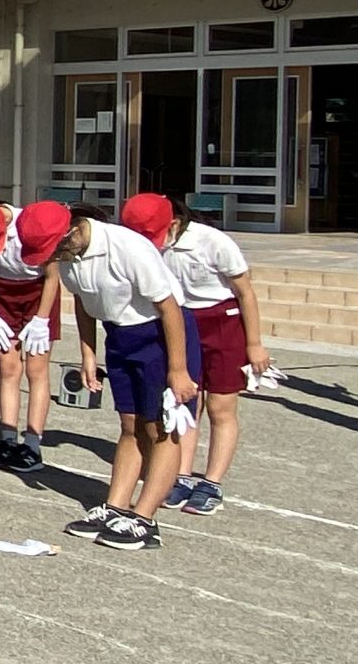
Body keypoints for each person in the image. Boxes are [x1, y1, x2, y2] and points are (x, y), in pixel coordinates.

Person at [51, 204, 202, 551]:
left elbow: (169, 308)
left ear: (73, 231)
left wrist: (178, 369)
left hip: (160, 337)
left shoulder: (127, 247)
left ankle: (145, 520)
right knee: (131, 425)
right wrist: (88, 354)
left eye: (56, 247)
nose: (54, 256)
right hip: (120, 336)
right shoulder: (68, 256)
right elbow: (83, 302)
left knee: (161, 428)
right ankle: (115, 506)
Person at [121, 193, 268, 514]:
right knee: (185, 402)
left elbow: (245, 291)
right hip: (182, 323)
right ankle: (182, 475)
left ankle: (212, 482)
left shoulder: (212, 242)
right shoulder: (146, 246)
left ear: (173, 223)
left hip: (222, 322)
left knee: (220, 406)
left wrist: (254, 343)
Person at [0, 199, 62, 474]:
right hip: (1, 292)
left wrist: (41, 319)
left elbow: (52, 276)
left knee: (36, 369)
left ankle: (32, 444)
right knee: (8, 367)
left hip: (38, 292)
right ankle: (7, 439)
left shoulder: (31, 223)